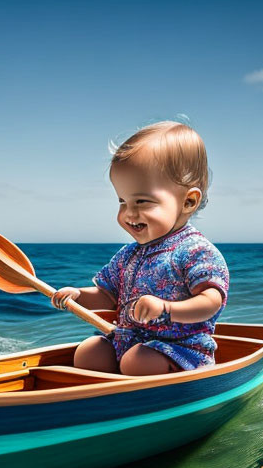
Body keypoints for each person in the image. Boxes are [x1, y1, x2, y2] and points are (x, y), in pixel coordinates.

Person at [51, 120, 229, 376]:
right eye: (122, 201)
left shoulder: (195, 251)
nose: (129, 213)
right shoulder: (128, 255)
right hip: (127, 341)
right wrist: (78, 296)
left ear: (189, 201)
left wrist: (167, 309)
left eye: (142, 201)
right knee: (89, 350)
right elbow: (108, 296)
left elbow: (211, 301)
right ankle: (100, 400)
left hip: (179, 350)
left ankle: (136, 399)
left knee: (138, 361)